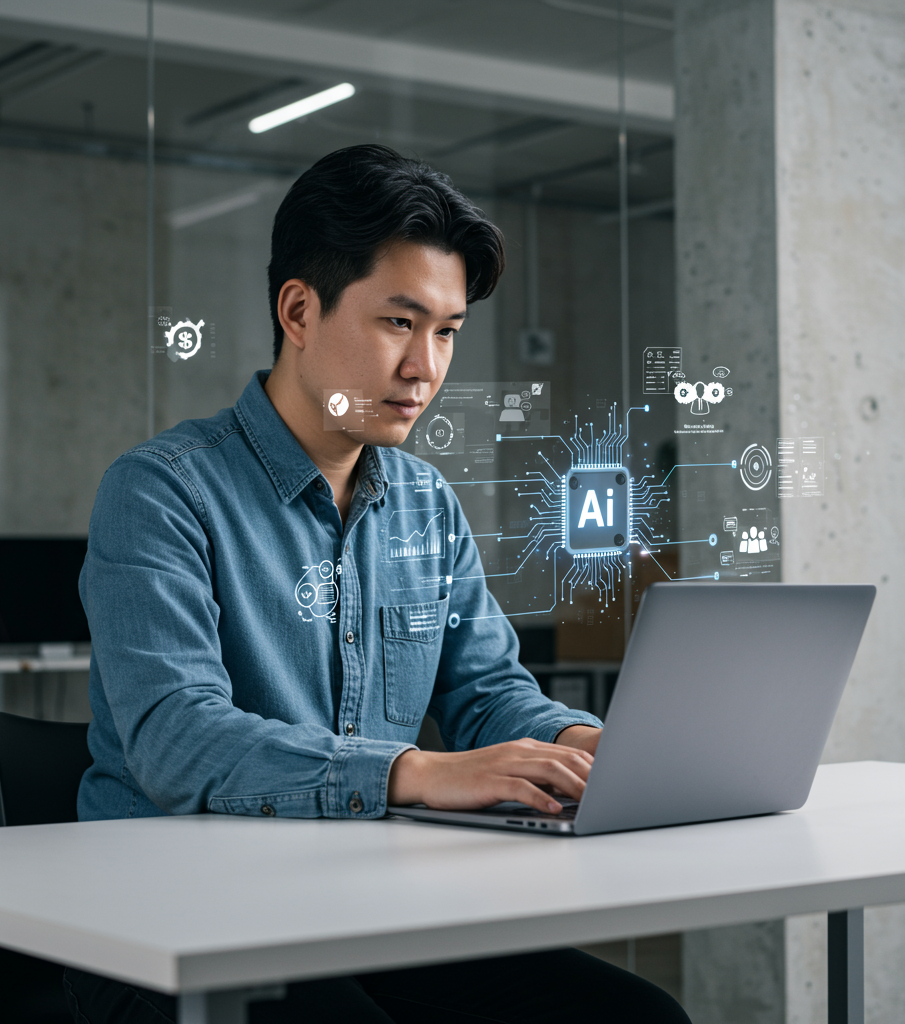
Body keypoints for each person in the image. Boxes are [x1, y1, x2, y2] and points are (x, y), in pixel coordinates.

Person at [65, 145, 690, 1024]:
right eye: (400, 322)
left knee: (636, 1018)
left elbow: (487, 693)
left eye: (447, 331)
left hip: (364, 906)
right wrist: (414, 772)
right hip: (168, 922)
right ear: (299, 311)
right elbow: (177, 738)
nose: (425, 368)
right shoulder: (162, 490)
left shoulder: (426, 503)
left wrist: (589, 747)